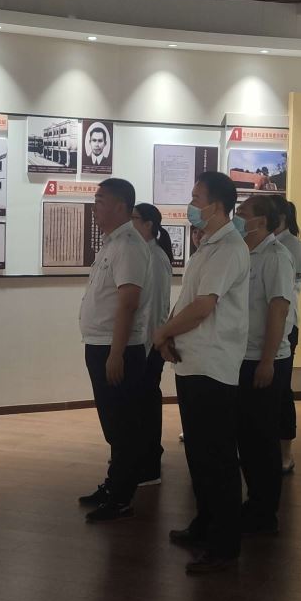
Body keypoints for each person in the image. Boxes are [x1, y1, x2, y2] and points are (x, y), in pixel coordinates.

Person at [153, 171, 250, 574]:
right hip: (193, 361)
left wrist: (163, 332)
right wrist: (169, 333)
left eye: (196, 198)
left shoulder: (229, 248)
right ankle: (205, 524)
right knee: (198, 452)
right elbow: (188, 300)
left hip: (213, 364)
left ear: (217, 205)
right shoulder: (206, 246)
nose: (191, 206)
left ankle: (224, 544)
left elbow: (204, 307)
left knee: (217, 457)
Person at [77, 178, 154, 523]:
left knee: (122, 426)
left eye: (100, 200)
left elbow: (128, 303)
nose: (95, 207)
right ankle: (113, 485)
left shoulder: (130, 246)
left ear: (121, 206)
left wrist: (116, 353)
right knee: (113, 423)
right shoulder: (113, 243)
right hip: (101, 345)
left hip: (116, 349)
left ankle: (122, 497)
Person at [234, 193, 296, 536]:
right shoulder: (244, 253)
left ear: (260, 221)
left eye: (242, 212)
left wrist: (267, 360)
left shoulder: (276, 256)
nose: (237, 216)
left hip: (264, 358)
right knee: (246, 437)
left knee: (261, 438)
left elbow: (279, 309)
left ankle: (265, 511)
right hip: (241, 356)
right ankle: (254, 501)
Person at [132, 203, 174, 488]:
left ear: (148, 225)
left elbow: (155, 309)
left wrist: (148, 347)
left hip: (149, 347)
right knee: (138, 406)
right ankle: (137, 458)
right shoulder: (143, 254)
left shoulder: (156, 258)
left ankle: (149, 466)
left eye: (134, 219)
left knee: (146, 406)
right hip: (140, 345)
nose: (129, 224)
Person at [273, 201, 301, 473]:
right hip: (265, 326)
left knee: (281, 390)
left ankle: (286, 452)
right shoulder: (267, 244)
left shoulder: (293, 246)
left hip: (286, 325)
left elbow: (289, 291)